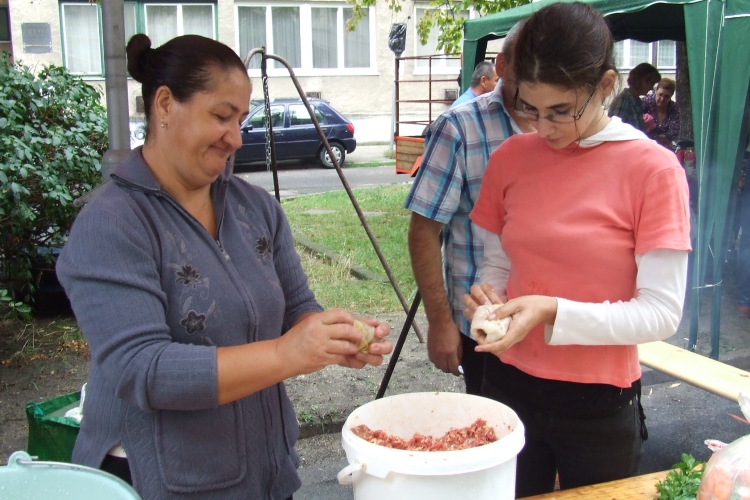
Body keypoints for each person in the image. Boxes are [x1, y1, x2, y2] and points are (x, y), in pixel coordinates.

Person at [56, 34, 392, 500]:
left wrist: (330, 335)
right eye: (221, 116)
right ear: (166, 105)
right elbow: (143, 369)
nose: (235, 136)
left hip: (266, 473)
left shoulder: (256, 208)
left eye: (240, 118)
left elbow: (297, 305)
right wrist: (284, 355)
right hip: (165, 483)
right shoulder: (111, 225)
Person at [462, 3, 691, 497]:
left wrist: (551, 311)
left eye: (561, 111)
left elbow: (661, 314)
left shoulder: (653, 170)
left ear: (606, 85)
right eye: (529, 109)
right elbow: (500, 258)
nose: (542, 129)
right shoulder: (512, 158)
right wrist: (490, 296)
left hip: (598, 404)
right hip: (508, 384)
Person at [404, 22, 533, 395]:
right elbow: (423, 231)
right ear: (501, 67)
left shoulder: (565, 128)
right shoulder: (459, 127)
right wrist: (440, 323)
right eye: (529, 74)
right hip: (486, 323)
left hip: (548, 326)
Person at [608, 62, 661, 131]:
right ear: (641, 80)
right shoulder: (623, 101)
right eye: (651, 84)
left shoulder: (637, 101)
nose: (651, 88)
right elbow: (613, 131)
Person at [642, 77, 681, 148]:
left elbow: (673, 133)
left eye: (666, 96)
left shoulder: (674, 108)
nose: (662, 99)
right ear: (656, 91)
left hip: (664, 147)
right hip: (644, 144)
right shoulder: (646, 102)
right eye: (660, 94)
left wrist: (654, 136)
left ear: (671, 96)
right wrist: (660, 138)